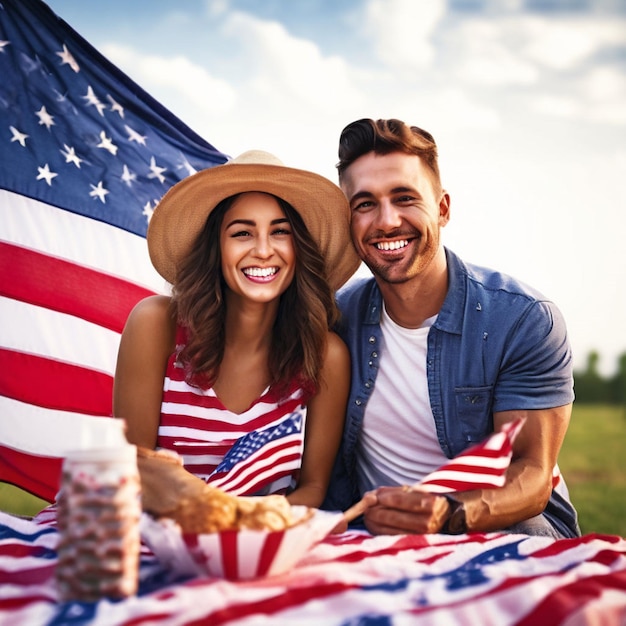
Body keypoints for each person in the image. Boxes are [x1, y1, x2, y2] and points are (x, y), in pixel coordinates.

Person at [323, 118, 581, 538]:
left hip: (498, 527)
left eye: (404, 198)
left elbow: (532, 476)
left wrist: (446, 514)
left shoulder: (521, 319)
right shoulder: (334, 317)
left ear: (442, 208)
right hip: (371, 536)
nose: (387, 221)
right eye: (364, 203)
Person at [113, 150, 360, 509]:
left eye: (280, 232)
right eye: (242, 233)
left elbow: (312, 491)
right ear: (216, 247)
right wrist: (202, 509)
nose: (263, 250)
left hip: (257, 543)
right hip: (148, 535)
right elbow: (131, 469)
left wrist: (241, 520)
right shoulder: (155, 326)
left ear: (299, 249)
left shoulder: (326, 357)